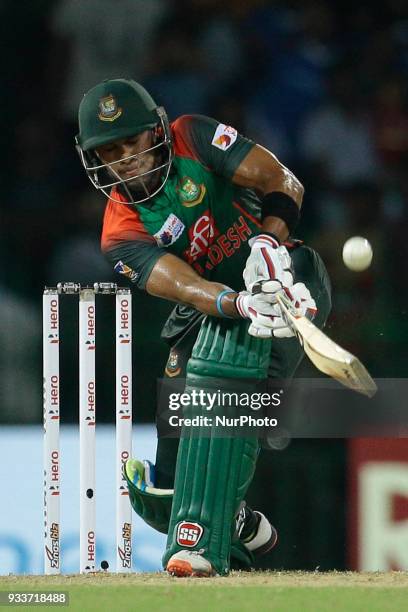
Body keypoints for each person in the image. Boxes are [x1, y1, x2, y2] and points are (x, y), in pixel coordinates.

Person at [76, 78, 331, 577]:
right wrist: (238, 303)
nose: (123, 158)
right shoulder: (120, 232)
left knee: (237, 405)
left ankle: (263, 405)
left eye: (130, 142)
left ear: (155, 132)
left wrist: (269, 244)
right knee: (165, 494)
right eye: (108, 150)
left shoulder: (191, 135)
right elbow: (189, 287)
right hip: (210, 312)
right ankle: (235, 524)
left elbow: (284, 181)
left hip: (287, 277)